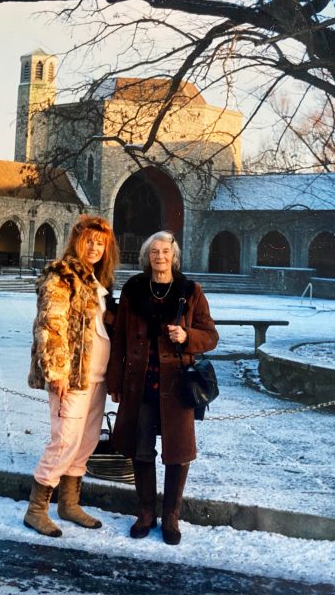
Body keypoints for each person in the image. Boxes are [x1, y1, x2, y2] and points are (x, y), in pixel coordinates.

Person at [106, 231, 218, 545]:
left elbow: (210, 335)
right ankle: (145, 513)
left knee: (177, 453)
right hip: (141, 384)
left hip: (176, 387)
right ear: (147, 257)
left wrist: (187, 337)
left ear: (174, 256)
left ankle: (170, 515)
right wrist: (115, 381)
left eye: (165, 251)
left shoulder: (190, 291)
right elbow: (120, 340)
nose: (160, 257)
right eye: (154, 251)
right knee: (141, 450)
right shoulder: (133, 289)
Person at [24, 215, 119, 537]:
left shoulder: (96, 279)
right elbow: (51, 324)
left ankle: (69, 503)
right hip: (72, 376)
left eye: (100, 243)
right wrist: (56, 371)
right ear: (78, 242)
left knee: (86, 442)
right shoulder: (61, 275)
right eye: (89, 241)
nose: (94, 247)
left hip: (98, 377)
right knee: (64, 440)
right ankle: (36, 509)